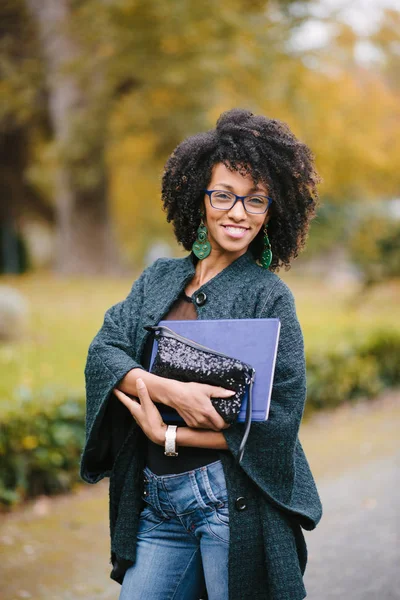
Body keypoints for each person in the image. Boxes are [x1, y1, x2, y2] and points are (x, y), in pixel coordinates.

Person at [80, 108, 323, 600]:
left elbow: (277, 422)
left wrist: (169, 432)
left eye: (255, 201)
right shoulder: (158, 279)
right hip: (155, 505)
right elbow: (103, 351)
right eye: (224, 196)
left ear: (271, 211)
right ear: (200, 198)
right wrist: (168, 390)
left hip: (226, 505)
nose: (238, 212)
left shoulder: (268, 297)